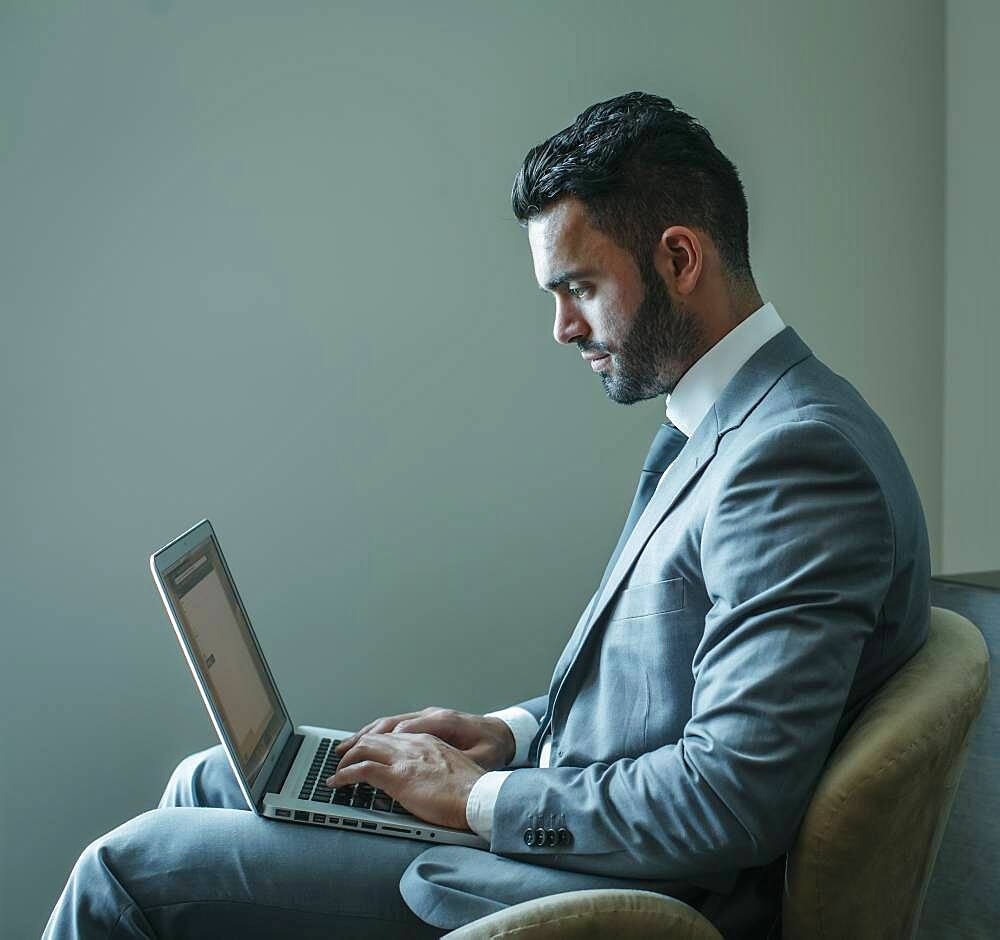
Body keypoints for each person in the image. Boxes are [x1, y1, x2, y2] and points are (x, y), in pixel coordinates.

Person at [44, 91, 930, 939]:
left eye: (578, 287)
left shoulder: (797, 460)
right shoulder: (736, 423)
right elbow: (663, 695)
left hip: (608, 894)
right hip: (577, 824)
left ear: (678, 259)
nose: (562, 329)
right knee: (211, 781)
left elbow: (728, 796)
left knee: (125, 871)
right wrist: (507, 734)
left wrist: (470, 798)